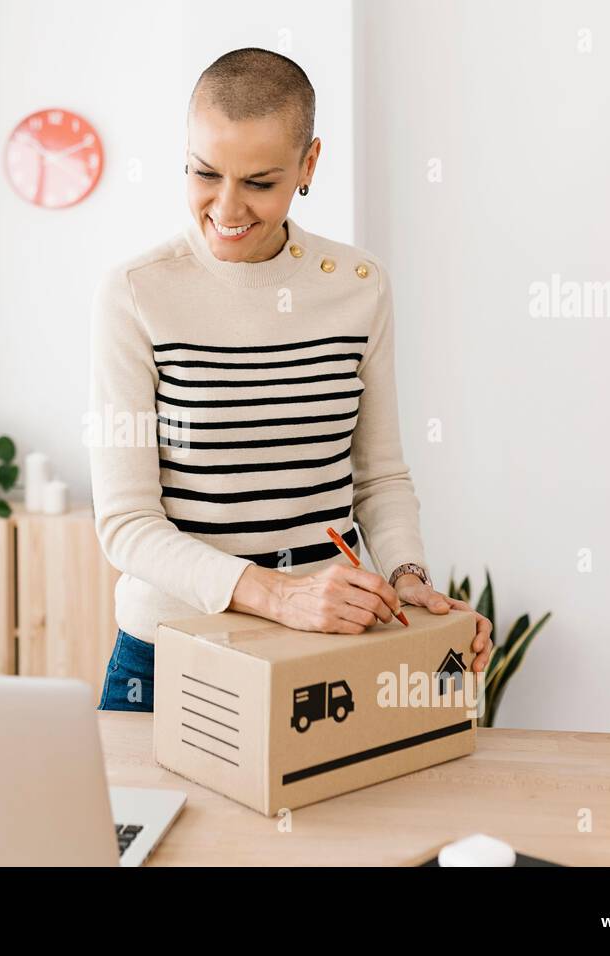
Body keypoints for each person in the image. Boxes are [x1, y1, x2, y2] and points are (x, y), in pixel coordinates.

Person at [89, 48, 492, 713]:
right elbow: (128, 524)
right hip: (169, 653)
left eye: (259, 181)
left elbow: (380, 476)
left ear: (309, 165)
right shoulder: (137, 292)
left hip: (325, 652)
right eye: (204, 173)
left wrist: (408, 576)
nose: (226, 207)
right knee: (141, 822)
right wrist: (278, 596)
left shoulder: (358, 288)